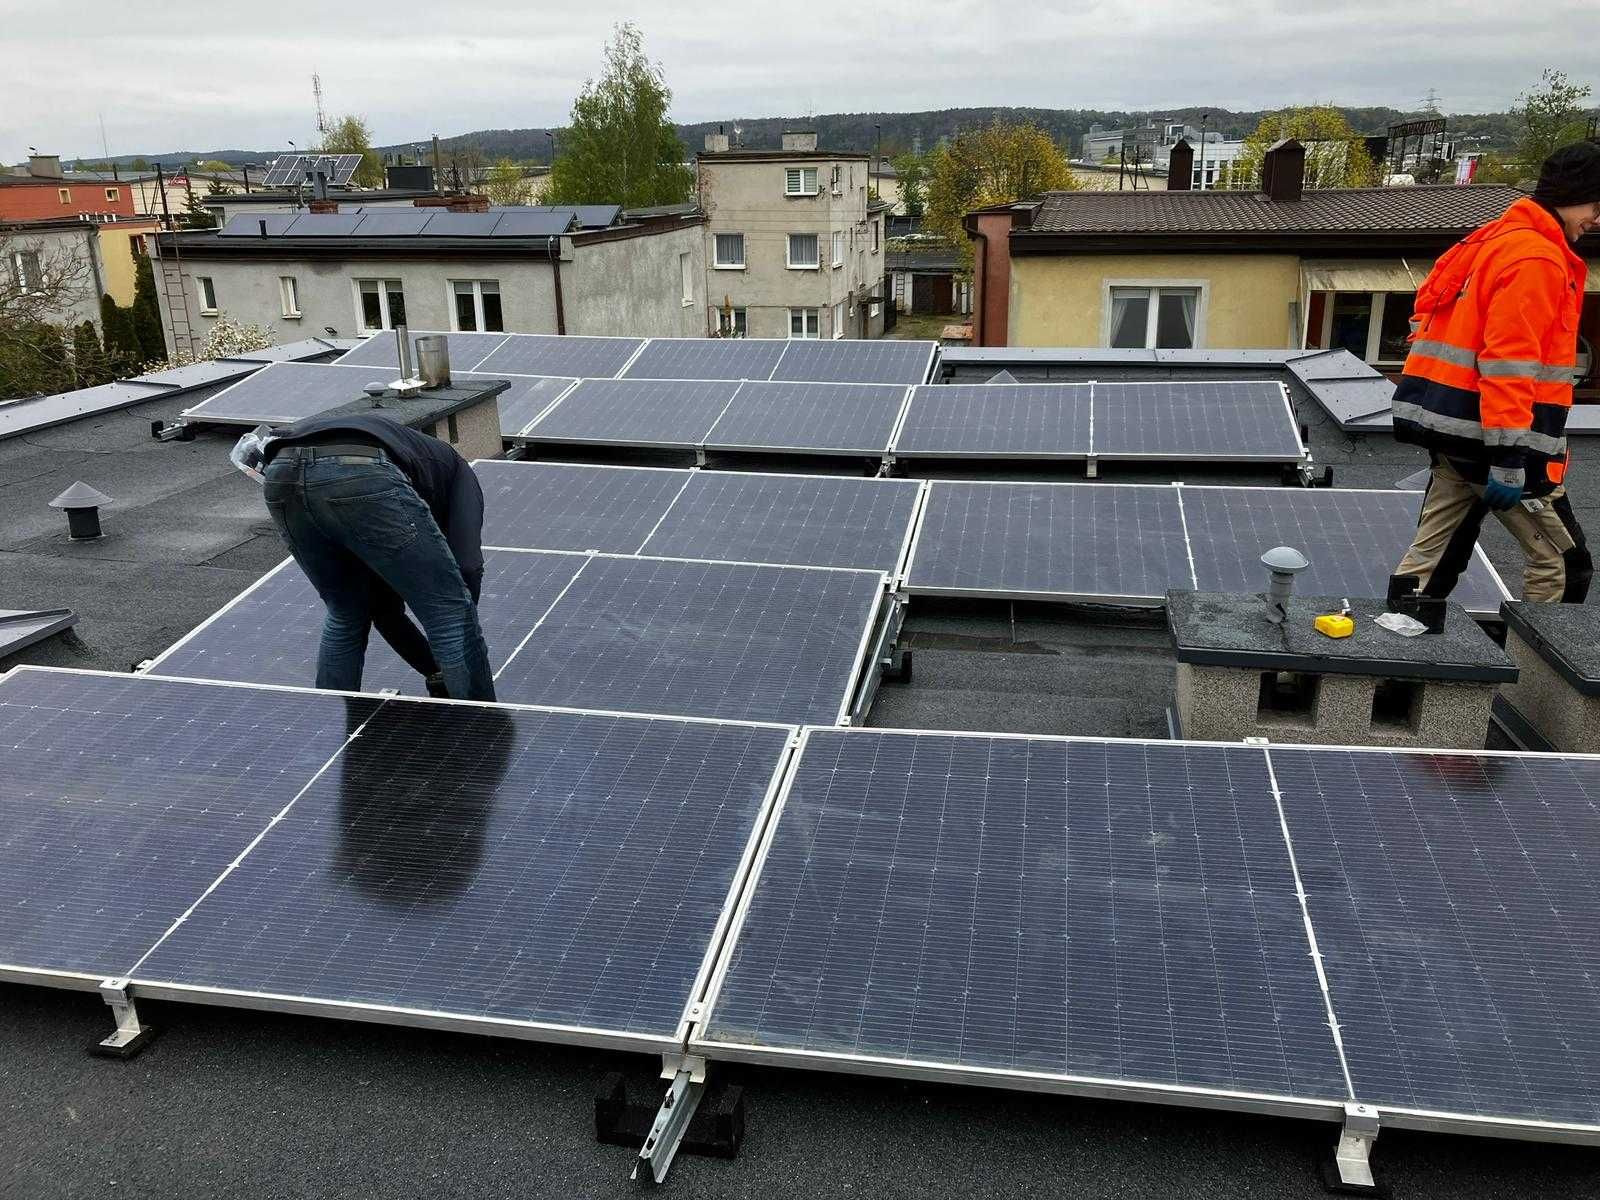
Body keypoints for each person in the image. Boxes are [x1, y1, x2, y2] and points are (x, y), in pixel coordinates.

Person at [1392, 141, 1600, 603]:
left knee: (1434, 558)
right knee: (1563, 566)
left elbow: (1428, 312)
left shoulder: (1492, 238)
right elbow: (1509, 363)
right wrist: (1508, 458)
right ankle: (1540, 676)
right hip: (1495, 441)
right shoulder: (1538, 259)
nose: (1597, 219)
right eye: (1595, 205)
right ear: (1571, 195)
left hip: (1450, 427)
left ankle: (1397, 660)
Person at [259, 412, 496, 701]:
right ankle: (482, 729)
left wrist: (435, 670)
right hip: (360, 469)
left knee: (346, 612)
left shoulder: (415, 465)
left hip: (280, 470)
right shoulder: (458, 471)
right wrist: (462, 610)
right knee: (448, 611)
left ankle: (327, 721)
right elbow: (469, 567)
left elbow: (384, 611)